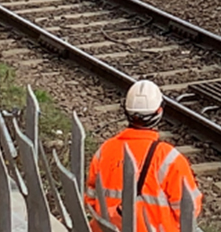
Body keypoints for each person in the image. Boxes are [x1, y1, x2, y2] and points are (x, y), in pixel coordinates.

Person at [85, 80, 202, 232]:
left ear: (127, 111)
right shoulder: (169, 159)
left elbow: (90, 200)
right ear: (159, 111)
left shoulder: (105, 150)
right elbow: (189, 211)